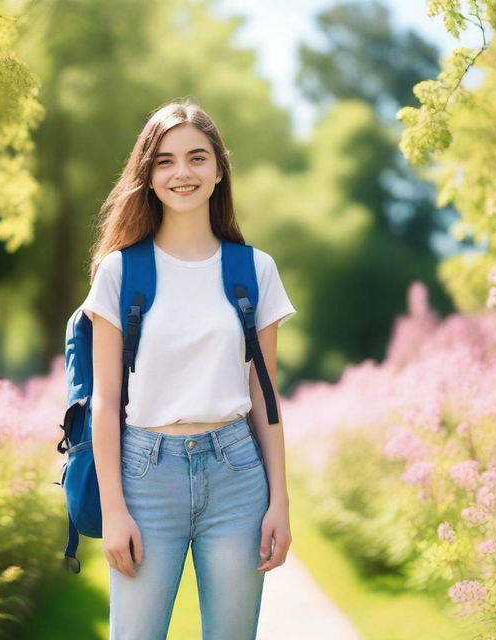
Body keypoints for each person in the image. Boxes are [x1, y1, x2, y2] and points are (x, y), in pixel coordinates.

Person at [80, 98, 297, 640]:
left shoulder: (254, 270)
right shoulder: (118, 272)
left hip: (237, 477)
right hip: (144, 477)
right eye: (165, 161)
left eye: (197, 158)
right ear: (148, 175)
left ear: (219, 169)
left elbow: (264, 396)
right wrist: (114, 510)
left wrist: (279, 502)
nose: (183, 173)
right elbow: (106, 402)